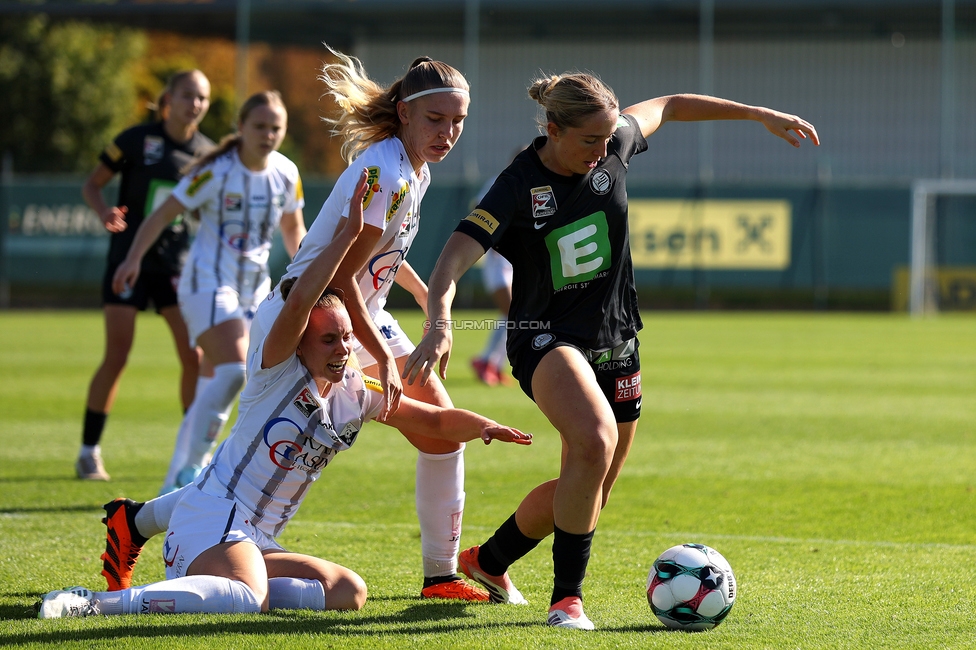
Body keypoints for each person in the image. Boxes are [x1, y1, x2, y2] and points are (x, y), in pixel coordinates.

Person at [404, 74, 819, 629]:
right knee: (593, 441)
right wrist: (438, 324)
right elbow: (451, 261)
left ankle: (488, 561)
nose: (604, 152)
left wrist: (756, 113)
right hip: (545, 338)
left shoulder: (613, 142)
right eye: (589, 142)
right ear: (553, 130)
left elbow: (669, 105)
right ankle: (567, 601)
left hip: (617, 338)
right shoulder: (516, 185)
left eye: (608, 139)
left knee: (590, 484)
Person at [37, 169, 531, 620]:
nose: (343, 350)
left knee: (348, 592)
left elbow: (437, 425)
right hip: (211, 523)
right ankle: (94, 603)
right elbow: (299, 300)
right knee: (246, 600)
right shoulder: (276, 370)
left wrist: (484, 426)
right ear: (300, 341)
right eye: (328, 339)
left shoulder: (356, 391)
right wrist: (349, 233)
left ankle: (215, 579)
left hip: (256, 538)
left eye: (347, 338)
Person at [98, 46, 489, 603]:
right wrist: (377, 354)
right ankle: (438, 575)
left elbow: (384, 258)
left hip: (353, 312)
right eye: (436, 118)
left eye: (458, 121)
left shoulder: (413, 169)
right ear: (404, 111)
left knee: (440, 431)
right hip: (308, 315)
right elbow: (346, 273)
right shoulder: (384, 169)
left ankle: (440, 575)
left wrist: (429, 306)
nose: (448, 132)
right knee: (258, 447)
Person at [112, 90, 307, 495]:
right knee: (235, 371)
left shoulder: (287, 173)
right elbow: (164, 214)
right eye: (259, 126)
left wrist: (308, 275)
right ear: (241, 127)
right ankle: (197, 468)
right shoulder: (216, 170)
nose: (268, 134)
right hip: (205, 282)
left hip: (255, 292)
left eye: (276, 127)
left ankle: (174, 483)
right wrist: (131, 260)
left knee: (213, 385)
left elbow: (292, 230)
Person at [77, 70, 213, 481]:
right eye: (188, 95)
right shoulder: (135, 140)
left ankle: (192, 455)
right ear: (168, 98)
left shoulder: (208, 153)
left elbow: (205, 211)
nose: (195, 104)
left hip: (175, 266)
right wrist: (104, 212)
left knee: (195, 357)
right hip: (128, 261)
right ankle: (88, 451)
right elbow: (93, 185)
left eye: (202, 98)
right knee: (117, 355)